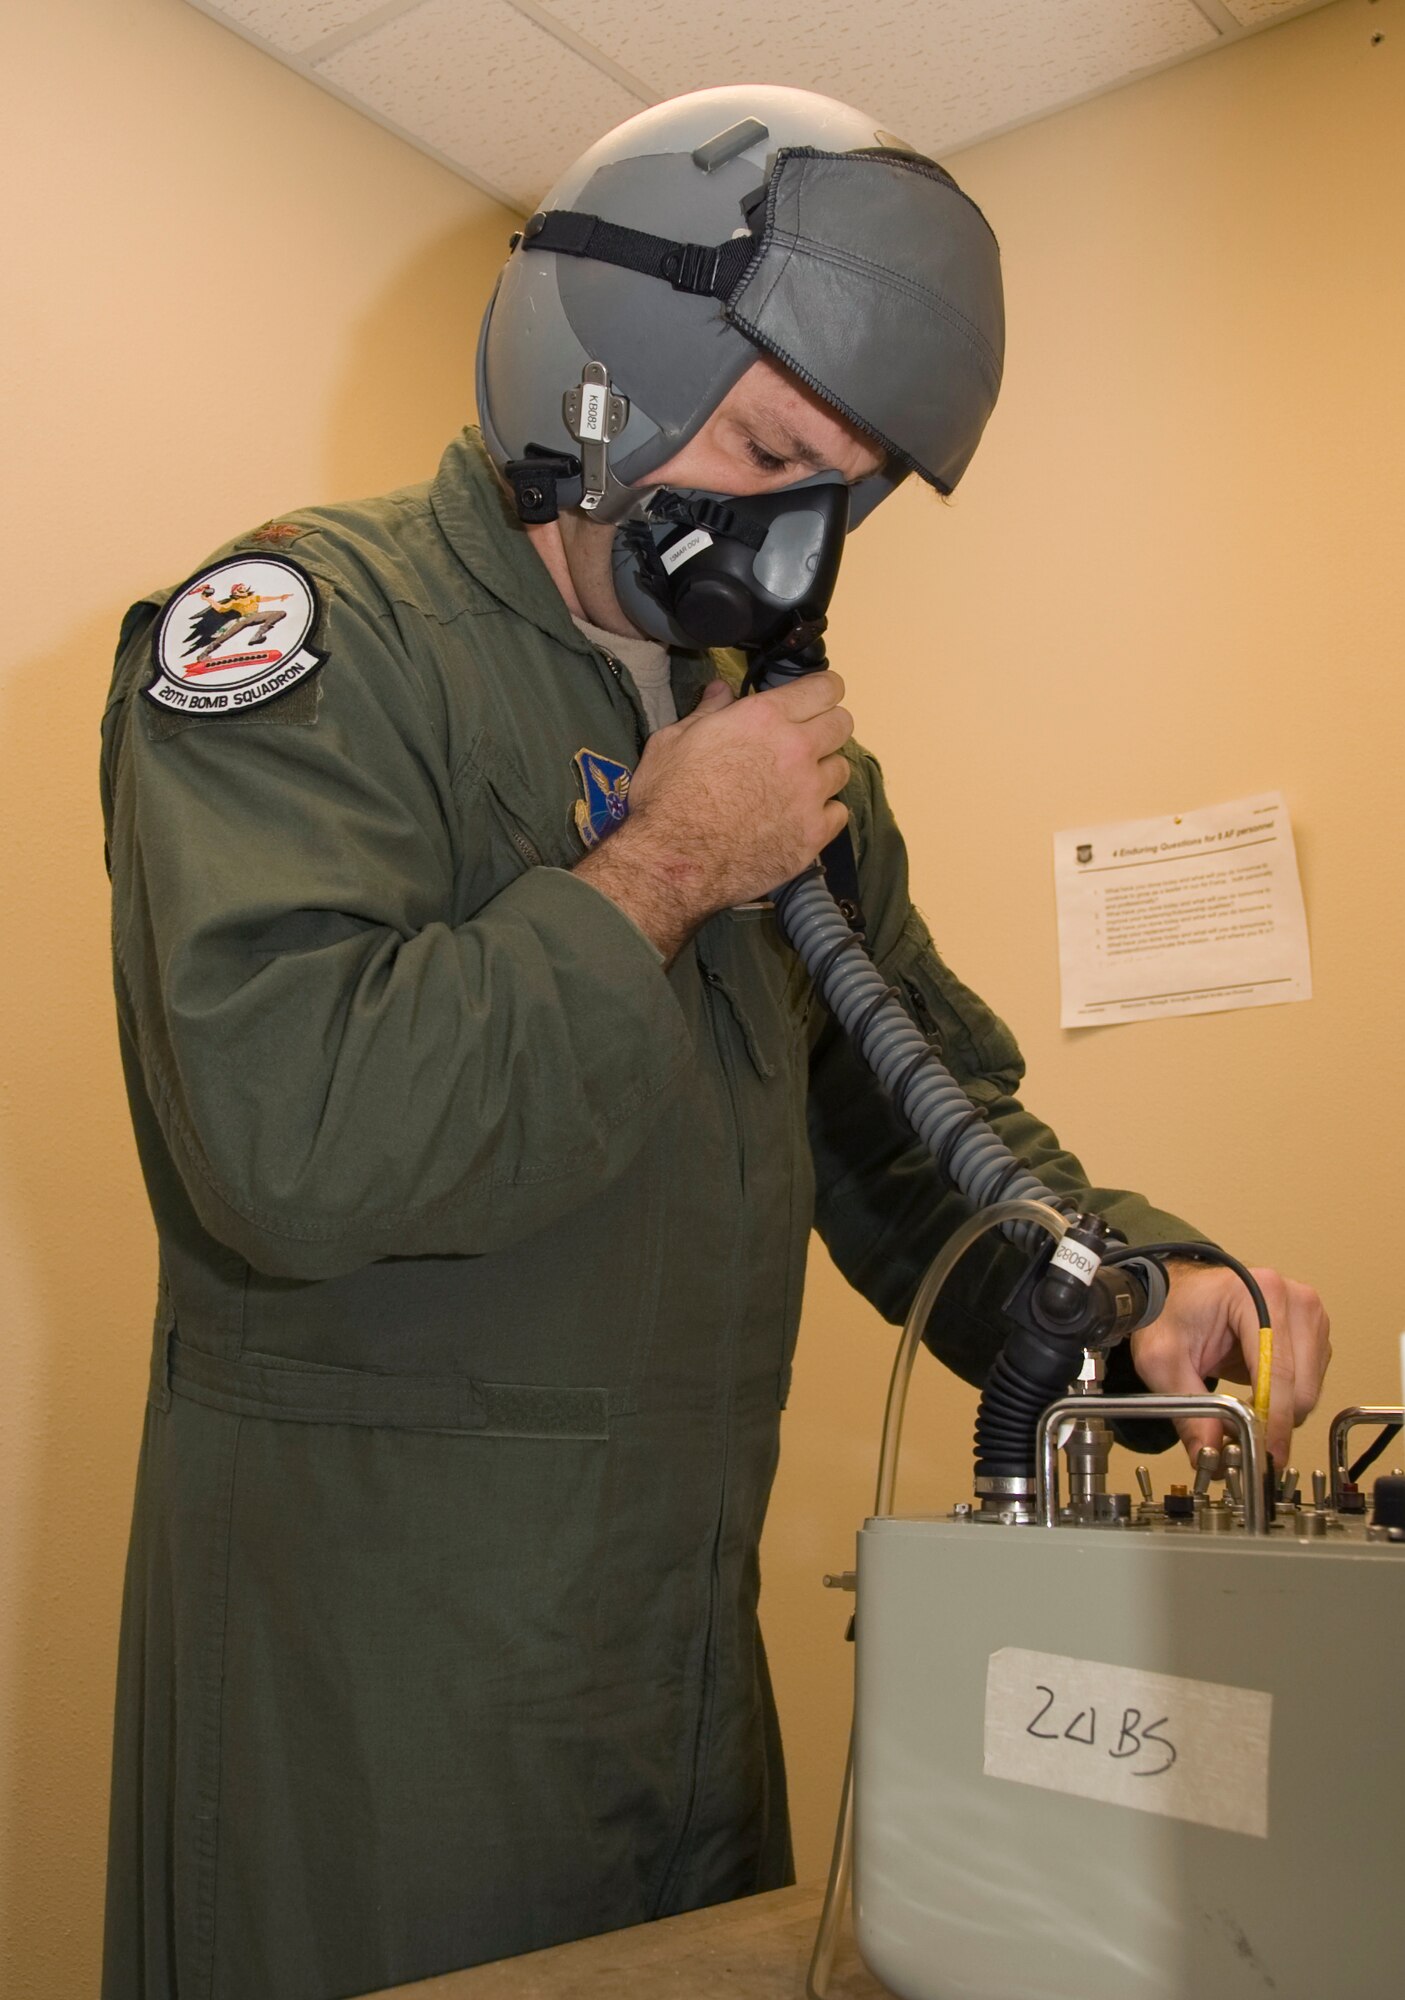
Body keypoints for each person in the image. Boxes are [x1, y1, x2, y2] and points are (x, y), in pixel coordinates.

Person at [99, 84, 1330, 2000]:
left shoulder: (770, 745)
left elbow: (914, 1117)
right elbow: (294, 1138)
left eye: (841, 490)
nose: (786, 535)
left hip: (674, 1662)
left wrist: (1133, 1281)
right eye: (764, 450)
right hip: (371, 1685)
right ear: (593, 372)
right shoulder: (311, 633)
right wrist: (666, 868)